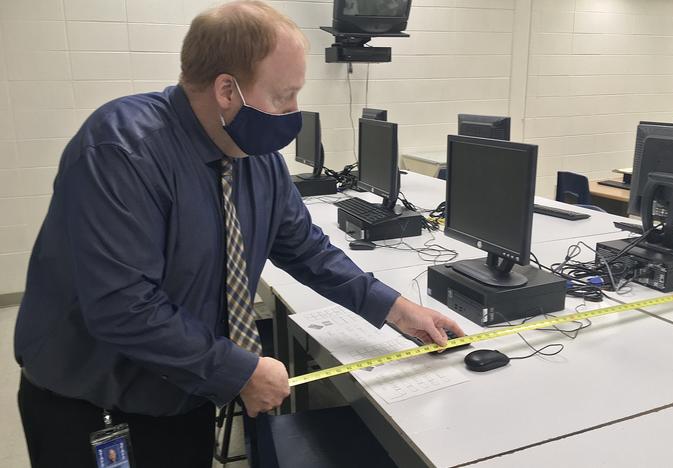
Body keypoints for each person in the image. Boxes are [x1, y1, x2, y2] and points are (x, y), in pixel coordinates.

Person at [14, 1, 464, 467]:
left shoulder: (256, 156)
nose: (293, 112)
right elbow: (122, 306)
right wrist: (240, 372)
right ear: (227, 90)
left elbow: (304, 248)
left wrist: (395, 308)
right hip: (98, 407)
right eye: (283, 96)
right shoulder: (122, 151)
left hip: (184, 391)